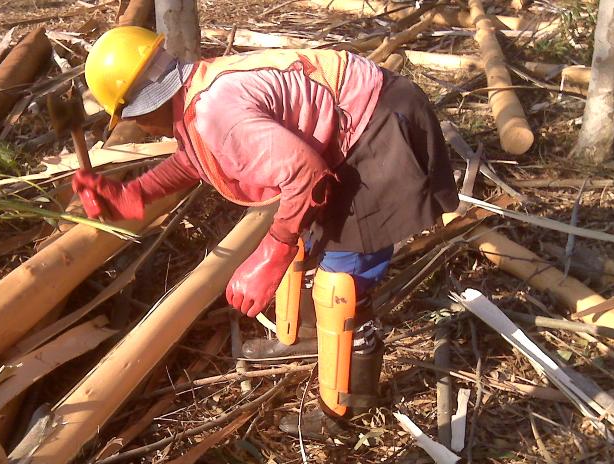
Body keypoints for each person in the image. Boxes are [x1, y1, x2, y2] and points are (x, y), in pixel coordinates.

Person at [72, 26, 459, 437]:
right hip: (348, 122)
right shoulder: (198, 92)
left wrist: (271, 251)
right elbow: (195, 159)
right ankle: (307, 335)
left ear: (143, 108)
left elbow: (305, 173)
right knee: (303, 242)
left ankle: (344, 409)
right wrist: (134, 193)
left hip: (374, 125)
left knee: (342, 286)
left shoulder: (218, 112)